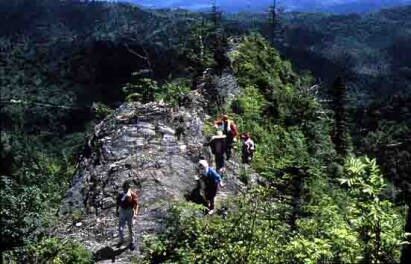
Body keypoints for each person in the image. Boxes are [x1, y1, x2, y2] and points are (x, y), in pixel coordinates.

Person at [116, 181, 139, 250]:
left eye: (127, 188)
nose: (125, 189)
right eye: (124, 188)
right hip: (122, 211)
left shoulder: (133, 195)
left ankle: (132, 242)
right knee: (120, 229)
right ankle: (121, 240)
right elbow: (117, 203)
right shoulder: (120, 195)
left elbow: (136, 205)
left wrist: (135, 214)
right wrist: (117, 211)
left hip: (130, 212)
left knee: (131, 228)